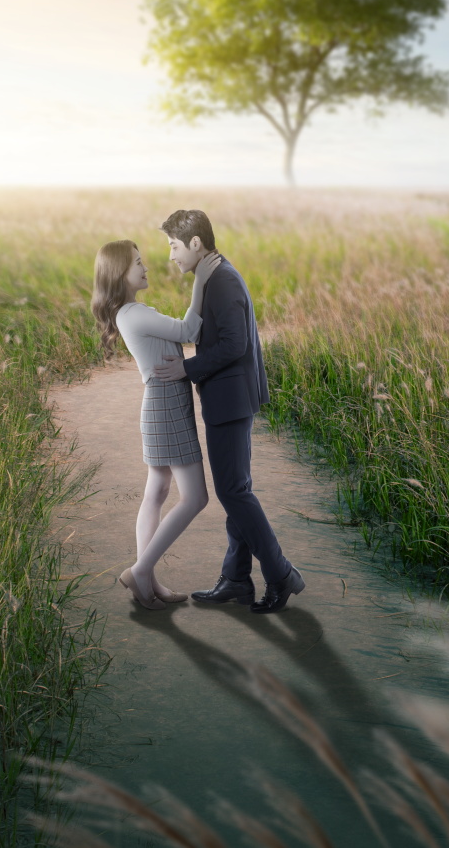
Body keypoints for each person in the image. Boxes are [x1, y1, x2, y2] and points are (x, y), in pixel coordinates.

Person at [150, 209, 305, 614]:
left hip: (230, 401)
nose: (171, 256)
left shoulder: (223, 280)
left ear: (196, 244)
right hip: (230, 399)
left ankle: (281, 573)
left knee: (233, 491)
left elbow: (235, 345)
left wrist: (186, 368)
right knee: (236, 489)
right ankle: (237, 578)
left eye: (174, 246)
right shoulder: (214, 277)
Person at [91, 238, 222, 610]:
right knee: (195, 497)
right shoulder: (132, 314)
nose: (145, 267)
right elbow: (188, 332)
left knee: (157, 492)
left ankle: (146, 581)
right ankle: (140, 569)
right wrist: (200, 279)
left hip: (161, 406)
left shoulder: (130, 312)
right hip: (165, 407)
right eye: (137, 263)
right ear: (119, 273)